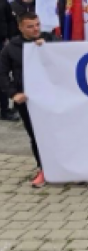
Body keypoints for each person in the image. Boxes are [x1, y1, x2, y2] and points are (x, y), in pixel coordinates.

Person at [0, 12, 58, 188]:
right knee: (36, 135)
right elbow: (2, 74)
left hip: (52, 97)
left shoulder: (50, 39)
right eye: (30, 26)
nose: (35, 29)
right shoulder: (11, 48)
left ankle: (65, 168)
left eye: (37, 25)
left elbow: (65, 55)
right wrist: (13, 94)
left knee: (57, 133)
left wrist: (47, 47)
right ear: (20, 27)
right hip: (27, 100)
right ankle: (43, 169)